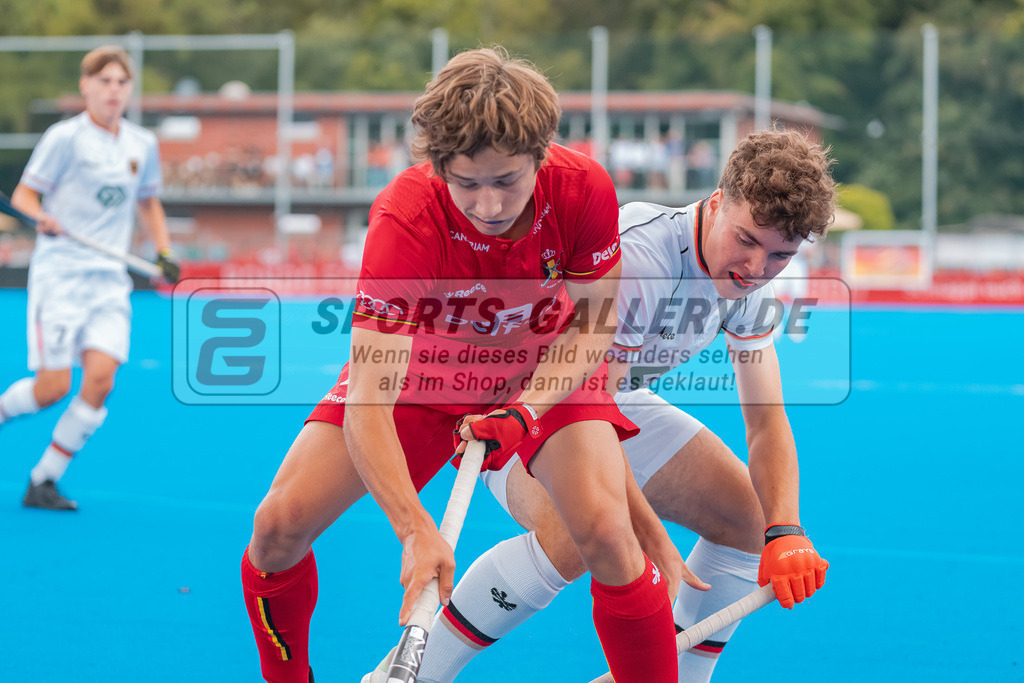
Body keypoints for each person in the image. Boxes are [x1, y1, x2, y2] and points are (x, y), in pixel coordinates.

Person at [241, 47, 696, 683]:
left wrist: (528, 407)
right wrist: (414, 529)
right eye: (466, 183)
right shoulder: (405, 218)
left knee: (608, 537)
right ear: (438, 166)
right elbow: (371, 395)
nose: (487, 204)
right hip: (426, 371)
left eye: (506, 180)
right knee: (276, 528)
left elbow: (596, 323)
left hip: (544, 364)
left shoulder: (582, 188)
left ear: (541, 153)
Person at [395, 129, 835, 683]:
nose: (755, 267)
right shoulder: (643, 257)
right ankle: (411, 675)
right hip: (522, 400)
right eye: (746, 240)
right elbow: (586, 409)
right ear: (718, 202)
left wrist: (785, 530)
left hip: (609, 397)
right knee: (581, 533)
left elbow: (767, 422)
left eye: (780, 255)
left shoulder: (753, 287)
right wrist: (650, 536)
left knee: (750, 519)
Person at [0, 46, 178, 511]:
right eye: (104, 81)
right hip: (60, 276)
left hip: (108, 280)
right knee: (52, 388)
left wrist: (163, 250)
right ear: (86, 86)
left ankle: (44, 479)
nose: (113, 90)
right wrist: (42, 218)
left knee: (101, 381)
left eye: (121, 82)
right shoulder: (65, 138)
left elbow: (148, 202)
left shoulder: (142, 144)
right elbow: (24, 197)